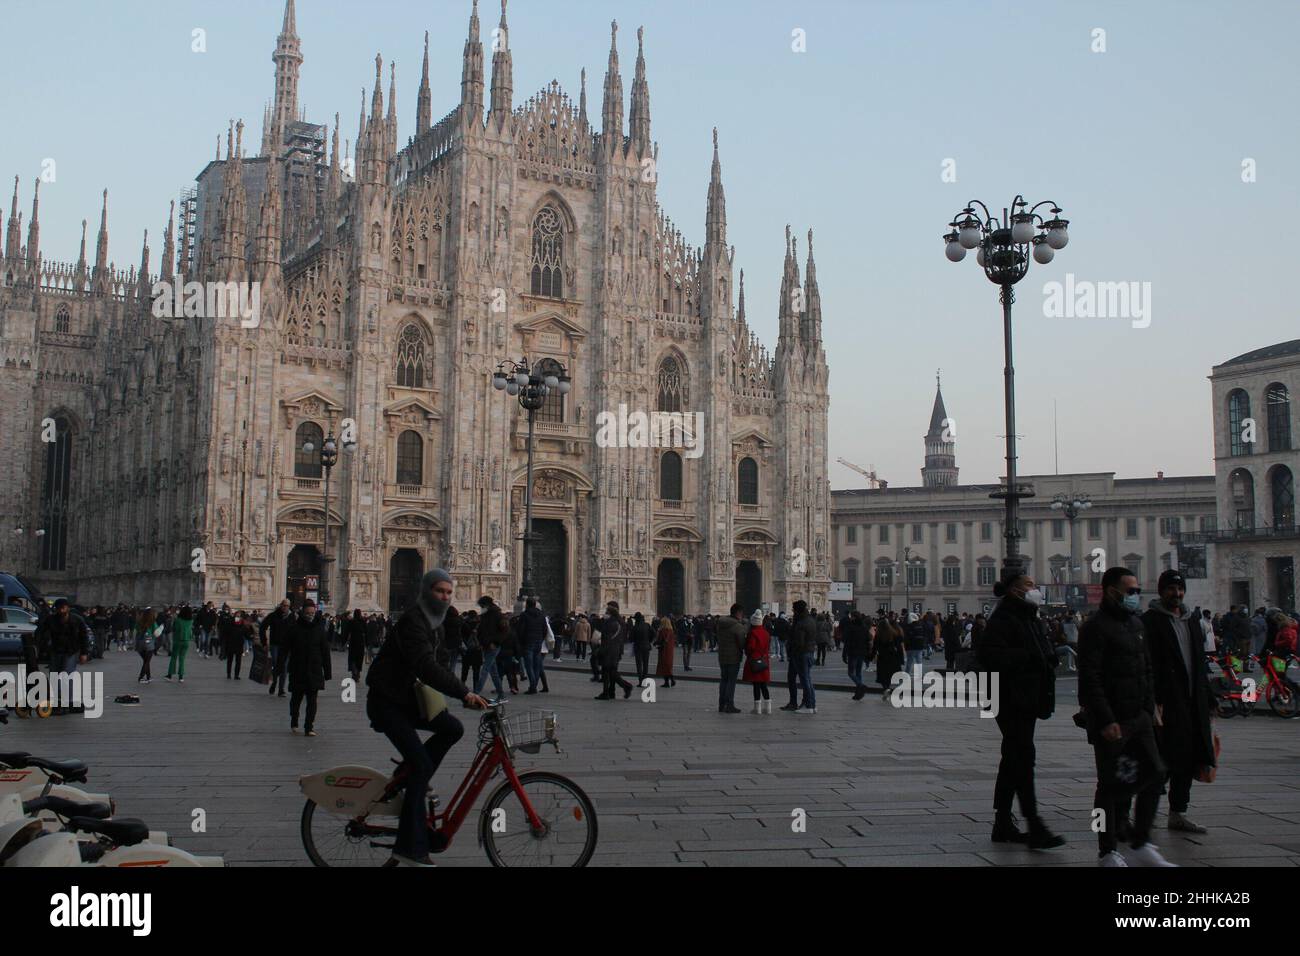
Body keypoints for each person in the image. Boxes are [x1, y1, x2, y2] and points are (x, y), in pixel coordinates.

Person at [366, 569, 489, 866]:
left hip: (406, 699)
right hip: (387, 701)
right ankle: (409, 847)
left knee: (452, 728)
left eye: (449, 592)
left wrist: (458, 694)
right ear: (426, 591)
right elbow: (424, 665)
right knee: (422, 766)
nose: (445, 597)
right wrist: (464, 693)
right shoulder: (413, 620)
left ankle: (410, 777)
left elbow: (440, 663)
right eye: (439, 591)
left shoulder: (437, 622)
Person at [1079, 567, 1173, 867]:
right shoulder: (1095, 627)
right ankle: (1107, 851)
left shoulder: (1136, 624)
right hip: (1112, 719)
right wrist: (1105, 719)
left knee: (1155, 773)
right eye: (1130, 590)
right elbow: (1090, 677)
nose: (1135, 595)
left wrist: (1150, 709)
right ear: (1111, 591)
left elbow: (1146, 669)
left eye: (1136, 590)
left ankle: (1139, 840)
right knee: (1108, 785)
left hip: (1140, 717)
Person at [979, 569, 1064, 850]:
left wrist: (1048, 657)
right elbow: (990, 655)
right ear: (1015, 590)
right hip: (1009, 698)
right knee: (1023, 758)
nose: (1035, 588)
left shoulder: (1028, 616)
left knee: (1013, 758)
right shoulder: (1004, 618)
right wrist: (1029, 657)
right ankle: (1034, 822)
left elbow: (1040, 650)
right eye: (1029, 585)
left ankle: (1003, 822)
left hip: (1025, 697)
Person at [1141, 570, 1216, 837]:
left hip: (1192, 699)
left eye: (1180, 589)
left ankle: (1178, 813)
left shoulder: (1192, 620)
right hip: (1165, 701)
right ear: (1162, 591)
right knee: (1161, 759)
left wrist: (1209, 697)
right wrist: (1152, 699)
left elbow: (1199, 661)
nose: (1177, 593)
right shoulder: (1149, 622)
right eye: (1171, 589)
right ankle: (1145, 814)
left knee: (1188, 757)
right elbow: (1146, 663)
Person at [285, 600, 331, 736]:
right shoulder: (294, 628)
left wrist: (327, 671)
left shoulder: (319, 629)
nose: (310, 615)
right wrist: (279, 667)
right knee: (296, 699)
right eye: (307, 613)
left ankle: (309, 726)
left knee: (312, 700)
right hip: (297, 669)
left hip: (314, 669)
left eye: (312, 613)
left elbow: (325, 651)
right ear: (302, 612)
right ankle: (294, 719)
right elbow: (285, 649)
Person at [36, 599, 90, 712]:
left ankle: (67, 702)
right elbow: (41, 631)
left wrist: (84, 653)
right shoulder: (51, 619)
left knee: (66, 676)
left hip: (71, 651)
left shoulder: (77, 620)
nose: (61, 610)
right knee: (55, 676)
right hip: (56, 650)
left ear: (67, 608)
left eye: (63, 608)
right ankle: (58, 701)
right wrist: (40, 645)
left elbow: (84, 637)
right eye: (59, 608)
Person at [597, 602, 633, 700]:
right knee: (612, 671)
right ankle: (611, 692)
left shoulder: (611, 622)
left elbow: (606, 637)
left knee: (608, 671)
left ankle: (624, 687)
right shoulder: (620, 621)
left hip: (609, 650)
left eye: (607, 610)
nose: (605, 612)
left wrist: (601, 650)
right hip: (616, 649)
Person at [715, 604, 747, 714]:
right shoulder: (737, 626)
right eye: (741, 613)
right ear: (738, 613)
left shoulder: (720, 623)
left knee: (723, 680)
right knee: (731, 681)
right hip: (733, 657)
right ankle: (729, 704)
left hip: (722, 656)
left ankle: (721, 704)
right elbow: (742, 642)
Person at [473, 596, 506, 700]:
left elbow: (505, 631)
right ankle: (501, 694)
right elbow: (482, 631)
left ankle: (476, 693)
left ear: (487, 605)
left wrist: (495, 642)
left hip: (493, 646)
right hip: (486, 645)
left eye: (482, 606)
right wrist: (481, 642)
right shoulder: (485, 615)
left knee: (485, 669)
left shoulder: (497, 615)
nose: (481, 608)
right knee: (493, 672)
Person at [260, 600, 295, 697]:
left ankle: (281, 689)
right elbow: (263, 627)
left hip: (287, 646)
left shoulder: (292, 617)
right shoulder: (273, 615)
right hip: (275, 645)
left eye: (287, 606)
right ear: (280, 606)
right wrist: (264, 642)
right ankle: (274, 682)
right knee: (276, 664)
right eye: (284, 605)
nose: (285, 607)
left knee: (284, 667)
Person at [743, 611, 773, 713]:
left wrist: (747, 651)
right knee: (763, 684)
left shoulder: (752, 633)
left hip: (755, 660)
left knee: (756, 684)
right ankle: (768, 708)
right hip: (764, 660)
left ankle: (757, 708)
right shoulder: (766, 633)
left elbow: (751, 647)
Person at [518, 598, 548, 694]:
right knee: (536, 665)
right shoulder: (541, 615)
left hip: (528, 642)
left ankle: (533, 686)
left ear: (527, 604)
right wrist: (541, 638)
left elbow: (521, 630)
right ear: (535, 604)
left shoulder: (524, 615)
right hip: (538, 641)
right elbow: (545, 629)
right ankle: (533, 686)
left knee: (529, 665)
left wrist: (521, 642)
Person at [874, 612, 903, 699]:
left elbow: (875, 646)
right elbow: (899, 645)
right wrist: (901, 657)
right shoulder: (894, 633)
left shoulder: (879, 634)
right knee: (890, 674)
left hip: (882, 657)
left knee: (882, 675)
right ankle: (888, 687)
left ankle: (886, 688)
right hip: (893, 656)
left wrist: (870, 656)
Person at [843, 611, 871, 700]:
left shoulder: (850, 627)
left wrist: (844, 654)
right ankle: (859, 693)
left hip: (853, 652)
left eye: (851, 616)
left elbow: (846, 641)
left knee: (851, 673)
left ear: (854, 617)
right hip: (862, 652)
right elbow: (868, 640)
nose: (850, 618)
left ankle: (860, 686)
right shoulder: (864, 627)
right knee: (858, 672)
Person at [165, 605, 194, 682]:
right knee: (182, 658)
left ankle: (170, 675)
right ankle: (181, 676)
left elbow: (174, 629)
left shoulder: (178, 620)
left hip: (178, 640)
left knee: (174, 658)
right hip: (186, 641)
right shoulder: (191, 621)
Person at [135, 608, 161, 684]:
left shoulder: (139, 621)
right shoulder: (152, 622)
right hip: (149, 643)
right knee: (147, 661)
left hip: (139, 643)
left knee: (146, 660)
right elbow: (157, 633)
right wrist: (161, 628)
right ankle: (141, 677)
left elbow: (136, 630)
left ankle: (148, 677)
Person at [343, 608, 367, 682]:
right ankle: (358, 673)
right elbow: (366, 632)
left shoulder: (351, 622)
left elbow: (346, 632)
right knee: (359, 659)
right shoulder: (363, 621)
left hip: (353, 642)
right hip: (361, 642)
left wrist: (344, 641)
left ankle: (354, 672)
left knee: (352, 658)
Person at [631, 612, 653, 684]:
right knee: (645, 664)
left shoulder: (635, 627)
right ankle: (644, 680)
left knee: (639, 664)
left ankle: (640, 681)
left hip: (638, 647)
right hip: (646, 646)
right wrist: (649, 640)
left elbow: (631, 638)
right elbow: (654, 634)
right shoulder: (647, 625)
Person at [654, 615, 677, 688]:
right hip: (670, 651)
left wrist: (655, 643)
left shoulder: (662, 631)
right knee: (668, 666)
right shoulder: (671, 631)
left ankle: (670, 680)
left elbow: (660, 640)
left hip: (663, 650)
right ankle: (668, 681)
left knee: (664, 666)